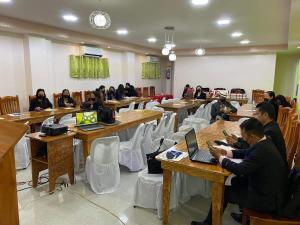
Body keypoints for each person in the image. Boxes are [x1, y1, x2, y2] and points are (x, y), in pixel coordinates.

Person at [191, 118, 289, 225]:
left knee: (224, 190)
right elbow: (247, 152)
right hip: (266, 188)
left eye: (244, 136)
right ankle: (241, 214)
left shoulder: (262, 151)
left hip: (267, 200)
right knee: (232, 182)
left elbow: (240, 170)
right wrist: (226, 152)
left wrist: (220, 157)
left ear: (252, 136)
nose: (242, 139)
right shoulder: (265, 141)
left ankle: (209, 223)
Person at [226, 102, 289, 222]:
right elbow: (254, 145)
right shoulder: (270, 127)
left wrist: (226, 154)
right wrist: (239, 141)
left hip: (269, 190)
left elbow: (253, 151)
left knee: (232, 184)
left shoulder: (269, 133)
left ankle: (247, 209)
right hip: (272, 178)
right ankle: (245, 211)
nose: (254, 116)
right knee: (236, 180)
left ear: (265, 115)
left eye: (256, 114)